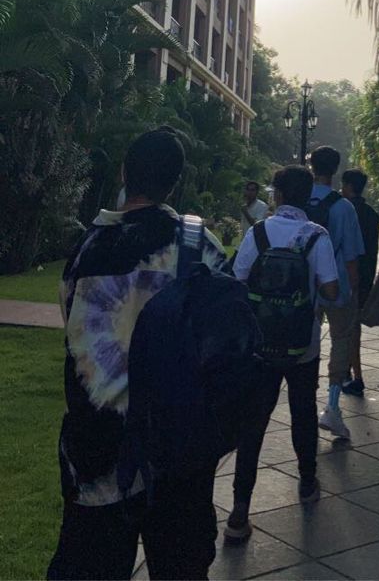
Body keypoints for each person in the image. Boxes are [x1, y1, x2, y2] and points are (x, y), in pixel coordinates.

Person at [48, 129, 235, 581]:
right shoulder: (199, 247)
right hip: (176, 451)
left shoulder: (86, 249)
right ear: (175, 181)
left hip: (96, 451)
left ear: (124, 174)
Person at [226, 166, 338, 543]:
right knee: (303, 413)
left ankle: (240, 510)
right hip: (302, 345)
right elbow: (333, 290)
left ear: (275, 195)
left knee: (253, 424)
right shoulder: (316, 236)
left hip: (260, 345)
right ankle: (307, 481)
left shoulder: (258, 233)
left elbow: (238, 281)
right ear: (308, 197)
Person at [307, 145, 364, 439]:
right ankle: (331, 405)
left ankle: (304, 397)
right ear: (336, 169)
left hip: (305, 287)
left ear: (311, 165)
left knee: (307, 341)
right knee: (341, 341)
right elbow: (352, 256)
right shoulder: (344, 207)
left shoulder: (298, 200)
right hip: (337, 285)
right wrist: (353, 289)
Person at [340, 168, 379, 396]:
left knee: (347, 327)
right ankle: (349, 370)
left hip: (345, 276)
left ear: (347, 185)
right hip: (363, 276)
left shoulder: (343, 211)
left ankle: (352, 373)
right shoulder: (372, 214)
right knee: (353, 325)